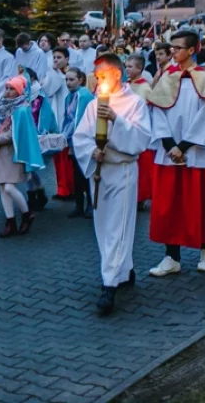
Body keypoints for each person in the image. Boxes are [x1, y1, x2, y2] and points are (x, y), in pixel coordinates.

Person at [72, 54, 152, 315]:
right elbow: (81, 136)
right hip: (101, 172)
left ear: (117, 74)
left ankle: (109, 285)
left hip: (123, 170)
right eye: (97, 76)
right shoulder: (94, 105)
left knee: (119, 225)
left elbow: (141, 139)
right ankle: (124, 268)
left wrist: (117, 120)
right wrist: (91, 151)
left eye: (103, 75)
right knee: (104, 225)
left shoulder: (135, 103)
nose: (99, 80)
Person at [147, 31, 205, 276]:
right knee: (170, 205)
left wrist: (183, 147)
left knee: (198, 201)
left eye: (178, 48)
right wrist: (170, 145)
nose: (173, 53)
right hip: (169, 152)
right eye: (172, 48)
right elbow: (157, 112)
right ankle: (172, 257)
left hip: (196, 152)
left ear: (192, 50)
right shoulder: (166, 77)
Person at [0, 75, 44, 237]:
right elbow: (0, 127)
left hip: (14, 153)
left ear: (19, 91)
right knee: (3, 188)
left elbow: (11, 134)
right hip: (2, 152)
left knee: (9, 186)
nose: (7, 92)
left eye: (12, 89)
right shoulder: (5, 106)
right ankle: (10, 222)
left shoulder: (21, 109)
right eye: (7, 88)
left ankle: (27, 214)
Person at [20, 66, 59, 211]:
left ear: (32, 78)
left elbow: (46, 115)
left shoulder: (41, 97)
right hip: (23, 135)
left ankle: (36, 194)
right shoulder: (22, 95)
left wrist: (43, 132)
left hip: (36, 136)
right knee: (26, 167)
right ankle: (36, 192)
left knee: (29, 167)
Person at [62, 68, 95, 218]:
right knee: (77, 173)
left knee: (85, 172)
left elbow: (79, 119)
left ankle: (90, 204)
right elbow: (67, 119)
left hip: (83, 139)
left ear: (80, 80)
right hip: (73, 140)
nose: (68, 83)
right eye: (67, 80)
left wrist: (72, 138)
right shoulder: (69, 97)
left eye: (72, 79)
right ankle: (79, 204)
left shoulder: (84, 95)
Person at [126, 54, 155, 211]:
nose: (127, 69)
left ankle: (140, 197)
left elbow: (146, 111)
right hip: (127, 129)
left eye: (130, 66)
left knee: (142, 166)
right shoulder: (127, 84)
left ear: (139, 68)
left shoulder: (144, 88)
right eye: (126, 66)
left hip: (139, 129)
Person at [44, 47, 73, 201]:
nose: (56, 60)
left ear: (67, 59)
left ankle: (69, 188)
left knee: (68, 158)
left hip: (68, 120)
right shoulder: (54, 74)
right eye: (54, 57)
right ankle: (63, 188)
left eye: (59, 57)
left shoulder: (70, 75)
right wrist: (53, 72)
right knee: (59, 156)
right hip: (58, 120)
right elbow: (48, 90)